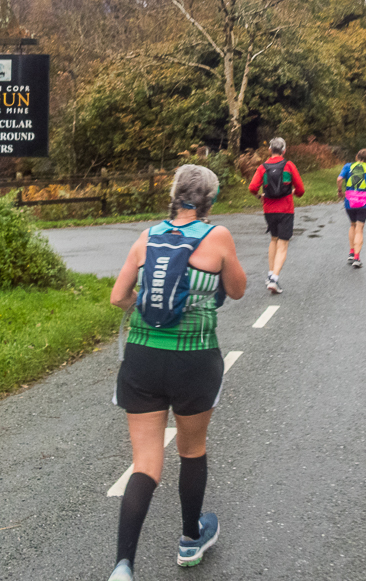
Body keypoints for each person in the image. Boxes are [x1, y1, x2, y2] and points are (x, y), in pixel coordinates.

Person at [107, 164, 247, 581]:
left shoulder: (147, 237)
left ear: (173, 195)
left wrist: (146, 303)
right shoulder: (217, 236)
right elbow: (238, 290)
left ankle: (122, 566)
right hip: (195, 361)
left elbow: (118, 298)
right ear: (210, 200)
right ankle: (190, 540)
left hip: (142, 358)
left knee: (145, 463)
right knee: (191, 450)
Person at [247, 137, 305, 294]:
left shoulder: (262, 167)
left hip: (269, 210)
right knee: (283, 243)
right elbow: (300, 189)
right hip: (286, 209)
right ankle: (274, 279)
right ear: (284, 150)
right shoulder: (289, 165)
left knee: (273, 239)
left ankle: (270, 274)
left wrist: (260, 196)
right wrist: (294, 193)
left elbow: (252, 187)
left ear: (269, 150)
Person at [337, 148, 366, 268]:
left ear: (356, 156)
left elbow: (339, 179)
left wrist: (340, 191)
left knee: (352, 225)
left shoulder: (348, 166)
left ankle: (351, 252)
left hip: (349, 200)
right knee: (359, 228)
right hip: (362, 202)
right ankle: (356, 257)